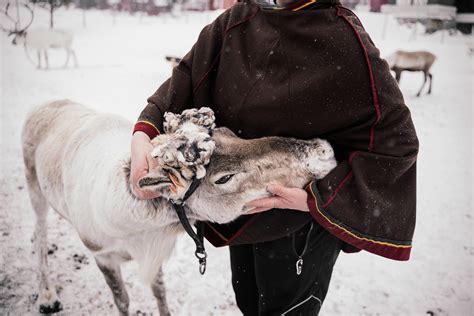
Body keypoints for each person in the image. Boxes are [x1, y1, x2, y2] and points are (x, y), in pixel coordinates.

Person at [130, 0, 419, 314]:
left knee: (285, 311)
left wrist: (317, 199)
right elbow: (184, 81)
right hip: (243, 210)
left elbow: (397, 144)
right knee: (249, 302)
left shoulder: (346, 42)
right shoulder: (236, 21)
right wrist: (143, 135)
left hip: (299, 225)